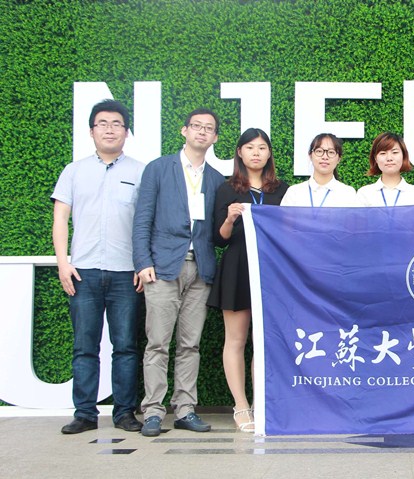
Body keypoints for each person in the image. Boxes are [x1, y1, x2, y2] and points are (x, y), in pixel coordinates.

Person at [52, 99, 144, 434]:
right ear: (91, 131)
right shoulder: (74, 171)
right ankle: (85, 414)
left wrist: (142, 264)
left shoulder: (140, 172)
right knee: (85, 347)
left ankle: (124, 413)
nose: (109, 129)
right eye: (102, 123)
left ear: (126, 132)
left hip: (126, 273)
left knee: (126, 347)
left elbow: (146, 222)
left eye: (117, 123)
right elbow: (60, 218)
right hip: (83, 272)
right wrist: (63, 263)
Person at [132, 108, 226, 437]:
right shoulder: (159, 169)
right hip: (162, 268)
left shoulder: (216, 179)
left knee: (190, 344)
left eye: (208, 128)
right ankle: (153, 411)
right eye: (196, 126)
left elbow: (216, 232)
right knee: (157, 343)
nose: (202, 132)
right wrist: (143, 262)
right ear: (184, 130)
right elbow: (142, 219)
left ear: (215, 138)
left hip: (201, 269)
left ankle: (185, 409)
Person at [207, 128, 288, 432]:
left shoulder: (282, 190)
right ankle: (240, 406)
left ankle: (260, 403)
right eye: (250, 147)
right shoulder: (227, 189)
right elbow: (219, 238)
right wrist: (229, 218)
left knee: (265, 341)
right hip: (238, 267)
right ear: (239, 152)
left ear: (269, 154)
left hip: (273, 270)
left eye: (262, 147)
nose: (256, 153)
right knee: (236, 339)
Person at [281, 133, 357, 207]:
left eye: (331, 152)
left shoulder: (347, 193)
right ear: (310, 155)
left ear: (339, 159)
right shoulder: (294, 193)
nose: (325, 157)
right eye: (319, 151)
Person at [356, 132, 414, 206]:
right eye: (383, 153)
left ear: (403, 156)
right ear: (376, 158)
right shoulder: (364, 194)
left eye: (395, 152)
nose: (389, 158)